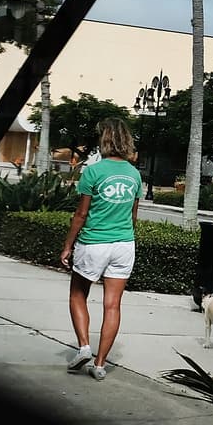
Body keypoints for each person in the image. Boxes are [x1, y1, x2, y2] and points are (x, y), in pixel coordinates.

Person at [60, 117, 143, 381]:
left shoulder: (93, 172)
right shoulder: (134, 174)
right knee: (113, 305)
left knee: (77, 294)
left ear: (104, 139)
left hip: (94, 243)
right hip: (124, 245)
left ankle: (84, 347)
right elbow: (133, 217)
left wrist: (68, 246)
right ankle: (99, 364)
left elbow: (81, 214)